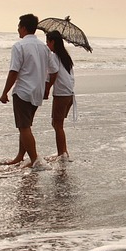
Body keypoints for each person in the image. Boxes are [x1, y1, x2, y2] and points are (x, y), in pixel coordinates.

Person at [0, 14, 58, 167]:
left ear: (24, 28)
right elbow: (54, 70)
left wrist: (5, 92)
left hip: (23, 91)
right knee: (25, 126)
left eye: (19, 27)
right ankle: (20, 156)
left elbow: (14, 71)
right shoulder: (43, 48)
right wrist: (46, 88)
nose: (18, 30)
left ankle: (34, 160)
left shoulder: (19, 46)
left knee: (24, 127)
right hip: (37, 91)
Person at [44, 30, 74, 159]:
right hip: (69, 94)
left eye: (47, 42)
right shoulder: (65, 57)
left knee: (57, 125)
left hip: (62, 94)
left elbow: (53, 74)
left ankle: (61, 153)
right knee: (57, 124)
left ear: (53, 42)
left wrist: (47, 89)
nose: (47, 45)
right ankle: (63, 150)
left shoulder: (54, 57)